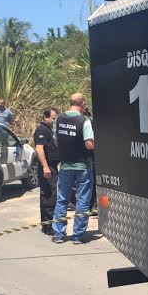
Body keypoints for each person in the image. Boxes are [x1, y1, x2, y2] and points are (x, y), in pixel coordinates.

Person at [52, 93, 94, 244]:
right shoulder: (84, 121)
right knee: (82, 200)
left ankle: (59, 234)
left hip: (65, 166)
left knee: (62, 199)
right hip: (82, 166)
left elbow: (56, 141)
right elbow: (89, 144)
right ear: (82, 103)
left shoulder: (59, 119)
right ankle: (77, 236)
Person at [34, 107, 59, 235]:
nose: (55, 121)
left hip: (52, 167)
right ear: (46, 117)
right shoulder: (41, 130)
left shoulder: (50, 130)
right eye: (53, 118)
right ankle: (48, 227)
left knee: (52, 195)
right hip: (47, 168)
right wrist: (45, 167)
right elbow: (39, 149)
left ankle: (49, 225)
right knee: (49, 196)